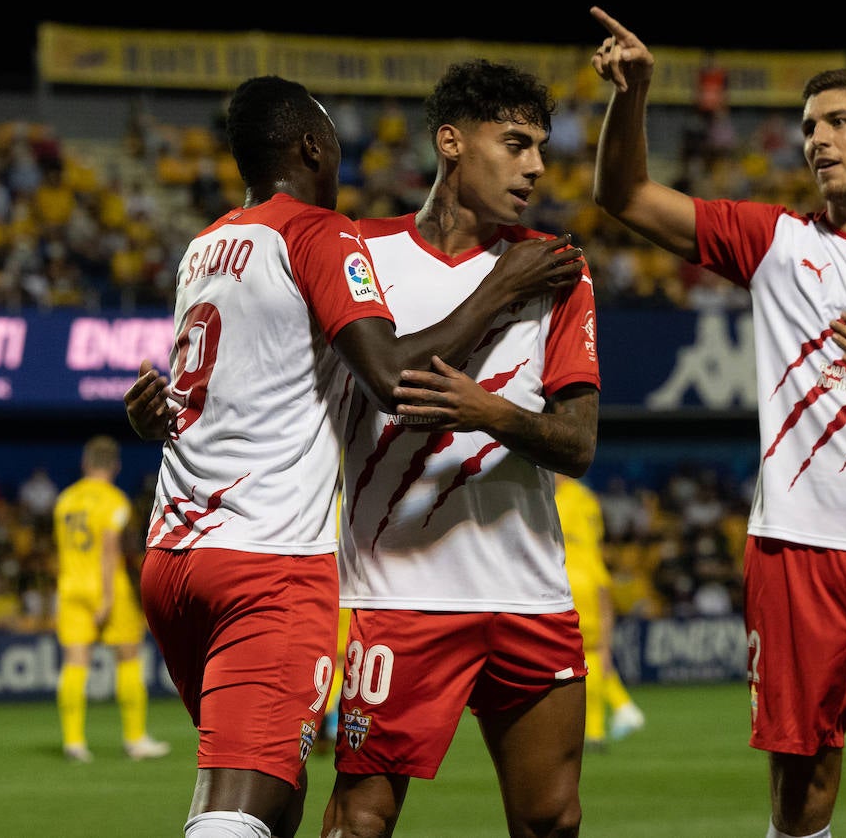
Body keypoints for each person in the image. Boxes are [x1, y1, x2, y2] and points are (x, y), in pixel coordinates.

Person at [123, 74, 583, 838]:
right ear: (312, 146)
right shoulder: (325, 233)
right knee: (239, 813)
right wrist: (500, 290)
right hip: (266, 561)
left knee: (276, 788)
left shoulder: (208, 245)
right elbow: (394, 377)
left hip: (174, 554)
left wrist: (148, 418)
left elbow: (202, 393)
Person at [590, 7, 846, 838]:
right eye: (809, 126)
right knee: (803, 784)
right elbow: (625, 195)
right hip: (795, 551)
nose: (817, 139)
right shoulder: (772, 241)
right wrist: (631, 97)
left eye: (838, 122)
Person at [321, 59, 599, 838]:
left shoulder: (559, 271)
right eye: (514, 143)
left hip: (527, 591)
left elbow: (578, 446)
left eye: (540, 147)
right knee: (361, 819)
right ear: (450, 142)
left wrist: (490, 412)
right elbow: (386, 384)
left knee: (552, 820)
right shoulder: (361, 255)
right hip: (398, 593)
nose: (536, 165)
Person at [53, 434, 169, 763]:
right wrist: (105, 598)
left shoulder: (64, 500)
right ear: (115, 466)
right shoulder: (115, 501)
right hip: (106, 587)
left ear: (85, 463)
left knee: (75, 663)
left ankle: (73, 742)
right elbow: (109, 551)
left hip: (71, 586)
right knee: (128, 656)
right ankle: (135, 739)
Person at [555, 471, 646, 751]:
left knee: (583, 652)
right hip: (593, 575)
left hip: (571, 574)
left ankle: (599, 725)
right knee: (591, 651)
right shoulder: (587, 498)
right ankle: (613, 714)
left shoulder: (558, 497)